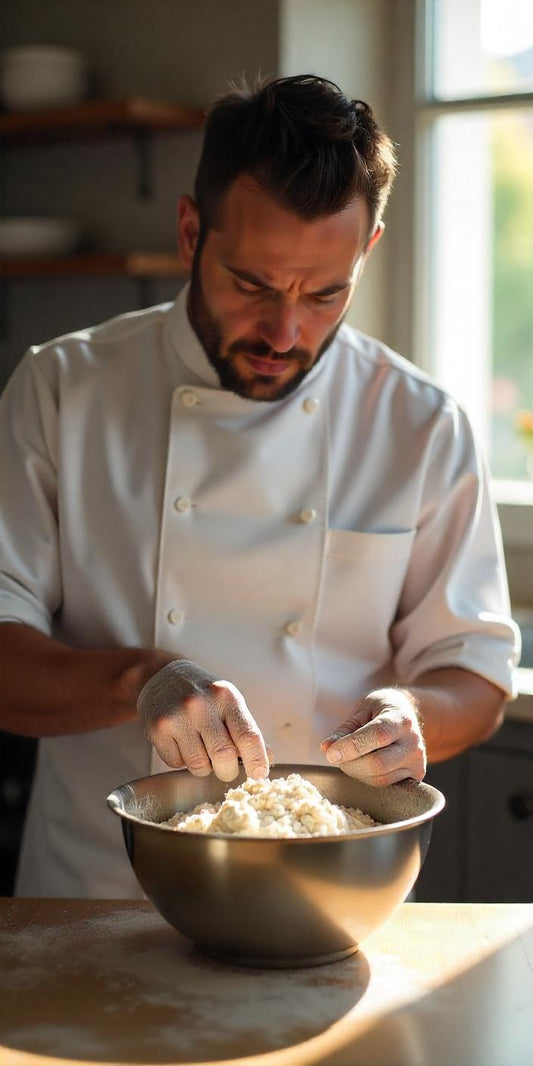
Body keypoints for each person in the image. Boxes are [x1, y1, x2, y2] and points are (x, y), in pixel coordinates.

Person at [0, 74, 520, 899]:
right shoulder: (63, 388)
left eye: (325, 293)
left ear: (368, 250)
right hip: (91, 895)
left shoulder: (418, 422)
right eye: (251, 285)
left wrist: (412, 715)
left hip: (324, 892)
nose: (285, 333)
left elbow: (476, 676)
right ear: (187, 233)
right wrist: (141, 683)